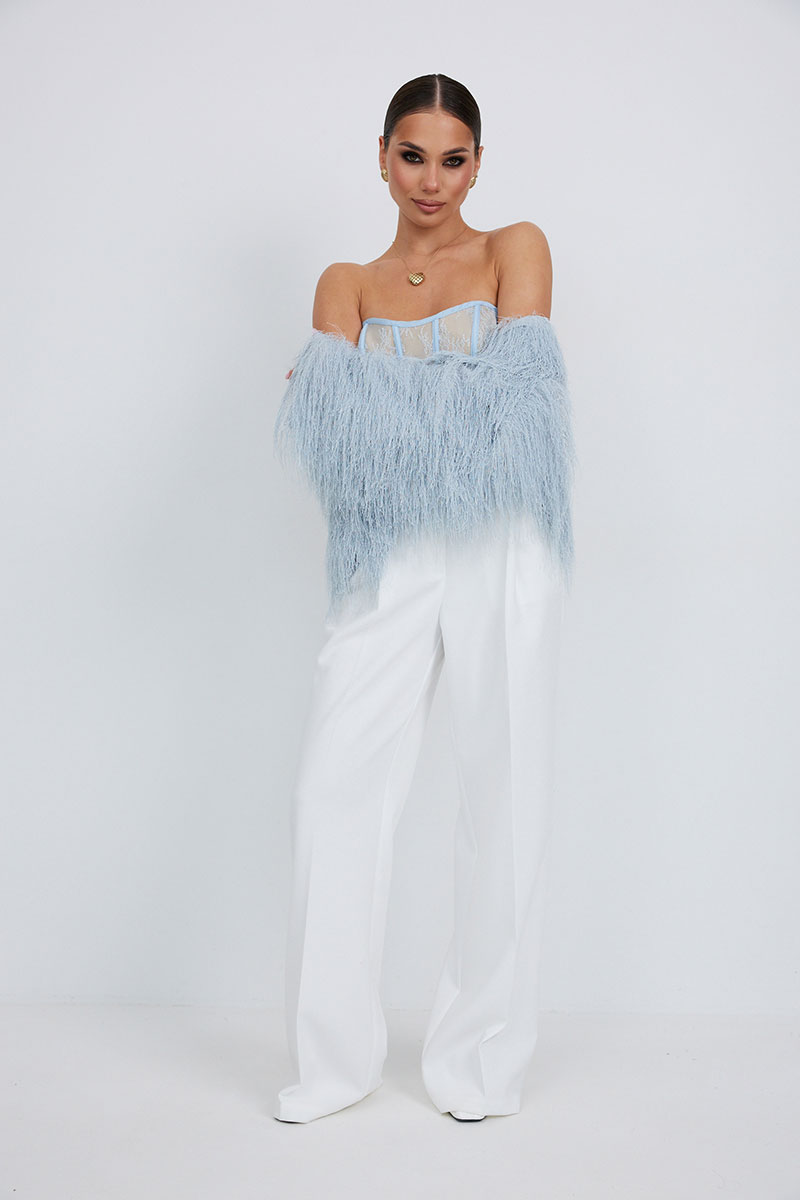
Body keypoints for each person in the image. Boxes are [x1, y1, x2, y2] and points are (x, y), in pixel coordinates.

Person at [272, 73, 575, 1124]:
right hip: (386, 550)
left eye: (452, 159)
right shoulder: (344, 280)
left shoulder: (513, 249)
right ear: (382, 157)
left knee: (504, 786)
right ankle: (332, 1065)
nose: (431, 180)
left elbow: (520, 414)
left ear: (478, 164)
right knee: (333, 790)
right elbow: (338, 452)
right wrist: (357, 408)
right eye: (412, 155)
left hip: (503, 538)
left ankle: (478, 1064)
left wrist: (356, 395)